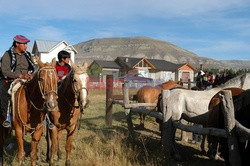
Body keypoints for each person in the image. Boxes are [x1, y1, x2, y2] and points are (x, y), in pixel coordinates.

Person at [0, 35, 36, 128]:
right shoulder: (7, 55)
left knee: (41, 89)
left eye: (26, 44)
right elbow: (5, 70)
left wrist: (30, 75)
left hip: (26, 79)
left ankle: (46, 118)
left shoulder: (28, 55)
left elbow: (33, 68)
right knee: (2, 90)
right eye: (24, 44)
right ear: (17, 44)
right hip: (10, 79)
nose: (26, 46)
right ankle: (6, 117)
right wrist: (19, 76)